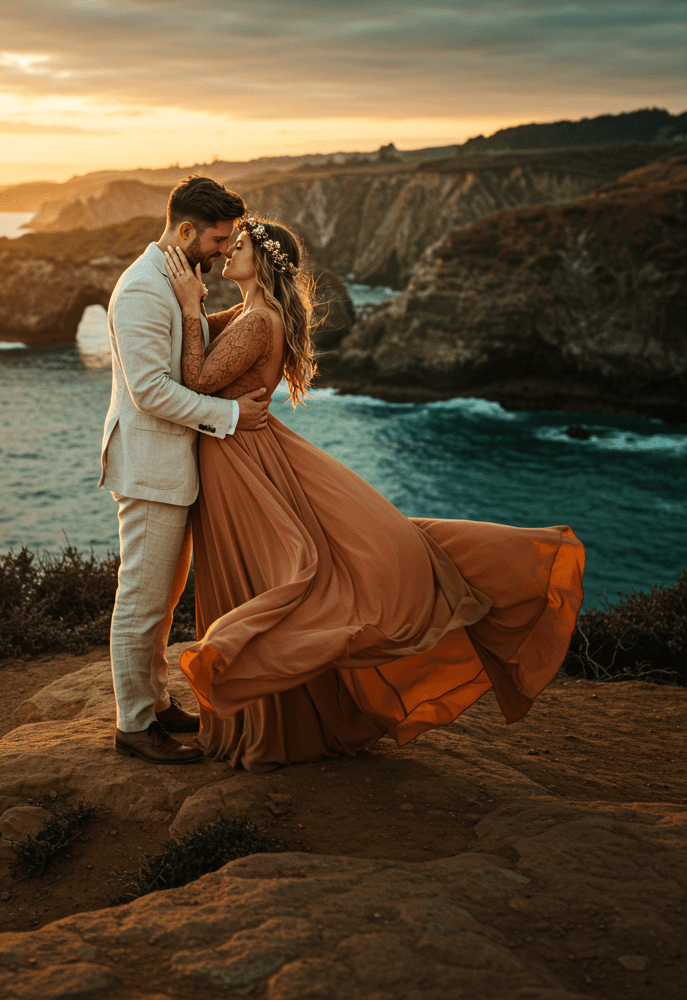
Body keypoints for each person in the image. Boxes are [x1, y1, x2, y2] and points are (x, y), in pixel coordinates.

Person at [164, 217, 585, 772]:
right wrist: (188, 305)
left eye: (236, 246)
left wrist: (190, 309)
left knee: (263, 576)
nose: (224, 254)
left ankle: (263, 723)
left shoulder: (257, 322)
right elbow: (207, 347)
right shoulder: (252, 315)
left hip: (241, 461)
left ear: (261, 262)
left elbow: (194, 380)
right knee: (260, 572)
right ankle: (270, 721)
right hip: (247, 455)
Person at [99, 176, 271, 766]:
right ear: (186, 230)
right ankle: (133, 725)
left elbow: (191, 351)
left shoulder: (179, 280)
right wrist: (230, 414)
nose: (226, 249)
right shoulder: (144, 291)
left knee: (162, 603)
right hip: (150, 468)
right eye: (220, 238)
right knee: (141, 601)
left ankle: (154, 701)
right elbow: (149, 391)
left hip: (170, 466)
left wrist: (208, 307)